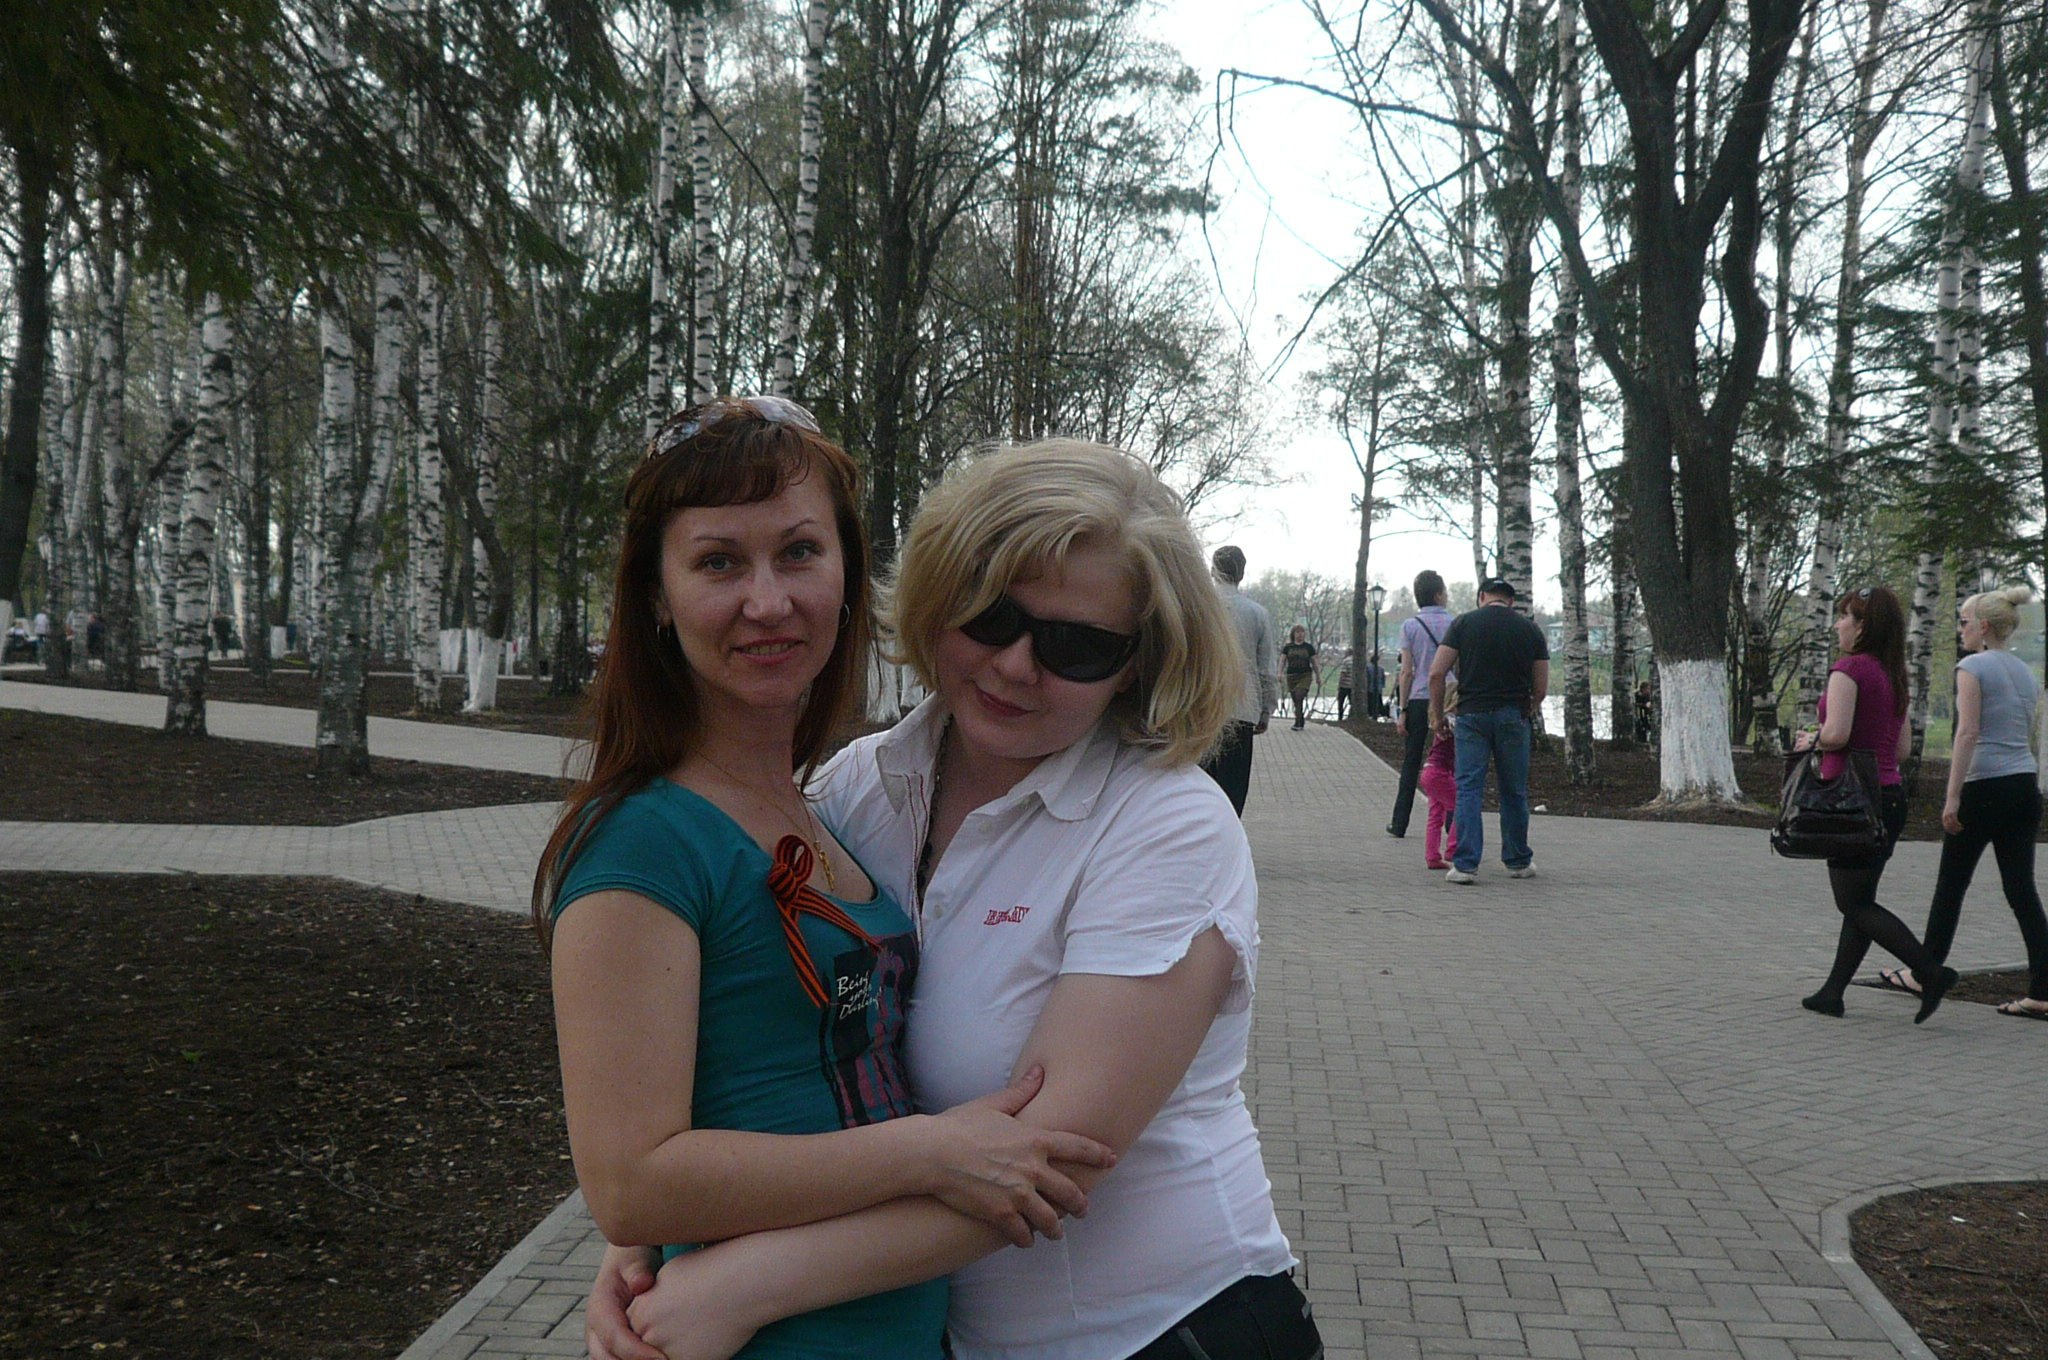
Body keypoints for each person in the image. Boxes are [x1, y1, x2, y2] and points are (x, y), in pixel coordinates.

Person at [587, 440, 1320, 1360]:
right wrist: (647, 1235)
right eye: (991, 616)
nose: (1015, 665)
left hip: (1167, 1333)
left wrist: (744, 1283)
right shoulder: (859, 787)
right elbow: (774, 1044)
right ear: (941, 597)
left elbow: (1042, 1164)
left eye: (1075, 645)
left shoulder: (1168, 827)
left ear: (1136, 664)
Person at [540, 401, 1120, 1360]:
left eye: (800, 552)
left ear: (848, 574)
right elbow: (630, 1184)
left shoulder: (823, 809)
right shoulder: (643, 844)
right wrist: (931, 1150)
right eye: (719, 562)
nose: (769, 602)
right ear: (657, 596)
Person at [1879, 586, 2048, 1020]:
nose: (1961, 630)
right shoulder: (2026, 672)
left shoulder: (1972, 666)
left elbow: (1968, 732)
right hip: (2023, 786)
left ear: (1984, 626)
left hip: (1984, 787)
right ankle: (2043, 991)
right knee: (2022, 891)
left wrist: (1953, 796)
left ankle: (1925, 972)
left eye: (1965, 623)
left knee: (1951, 885)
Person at [1795, 585, 1957, 1022]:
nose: (1837, 625)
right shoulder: (1893, 675)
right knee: (1861, 899)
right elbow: (1901, 750)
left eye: (1844, 617)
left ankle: (1930, 972)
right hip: (1889, 798)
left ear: (1863, 625)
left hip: (1851, 799)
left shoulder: (1848, 669)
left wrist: (1812, 740)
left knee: (1855, 904)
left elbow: (1837, 735)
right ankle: (1832, 993)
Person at [1428, 576, 1547, 884]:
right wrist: (1528, 708)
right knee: (1514, 790)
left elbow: (1436, 673)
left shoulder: (1463, 624)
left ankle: (1465, 865)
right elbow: (1541, 687)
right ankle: (1517, 860)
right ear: (1511, 601)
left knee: (1469, 788)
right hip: (1512, 715)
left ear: (1481, 596)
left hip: (1471, 715)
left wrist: (1438, 716)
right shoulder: (1530, 629)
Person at [1199, 544, 1277, 816]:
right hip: (1242, 708)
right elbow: (1266, 668)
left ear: (1213, 570)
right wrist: (1266, 709)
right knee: (1233, 789)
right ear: (1242, 573)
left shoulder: (1198, 607)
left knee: (1198, 788)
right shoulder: (1257, 614)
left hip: (1200, 708)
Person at [1387, 571, 1453, 837]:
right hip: (1448, 697)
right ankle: (1452, 824)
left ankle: (1399, 822)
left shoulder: (1410, 626)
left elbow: (1406, 671)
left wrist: (1402, 710)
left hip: (1417, 698)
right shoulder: (1455, 623)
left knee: (1411, 761)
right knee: (1449, 762)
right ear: (1438, 595)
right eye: (1445, 592)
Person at [1419, 678, 1460, 871]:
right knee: (1462, 806)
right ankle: (1453, 848)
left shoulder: (1440, 720)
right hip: (1440, 772)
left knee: (1436, 814)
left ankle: (1432, 856)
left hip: (1429, 770)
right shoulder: (1452, 721)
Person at [1281, 626, 1316, 730]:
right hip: (1292, 676)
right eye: (1297, 632)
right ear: (1293, 634)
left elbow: (1314, 662)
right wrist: (1279, 673)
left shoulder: (1308, 647)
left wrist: (1318, 677)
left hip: (1305, 676)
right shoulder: (1288, 647)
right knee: (1296, 700)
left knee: (1299, 695)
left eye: (1302, 632)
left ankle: (1298, 723)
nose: (1300, 634)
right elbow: (1282, 661)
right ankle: (1300, 719)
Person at [1335, 654, 1353, 722]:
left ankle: (1340, 717)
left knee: (1340, 702)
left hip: (1344, 685)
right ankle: (1350, 716)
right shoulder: (1357, 661)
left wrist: (1339, 684)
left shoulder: (1346, 661)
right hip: (1353, 686)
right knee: (1352, 703)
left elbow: (1343, 673)